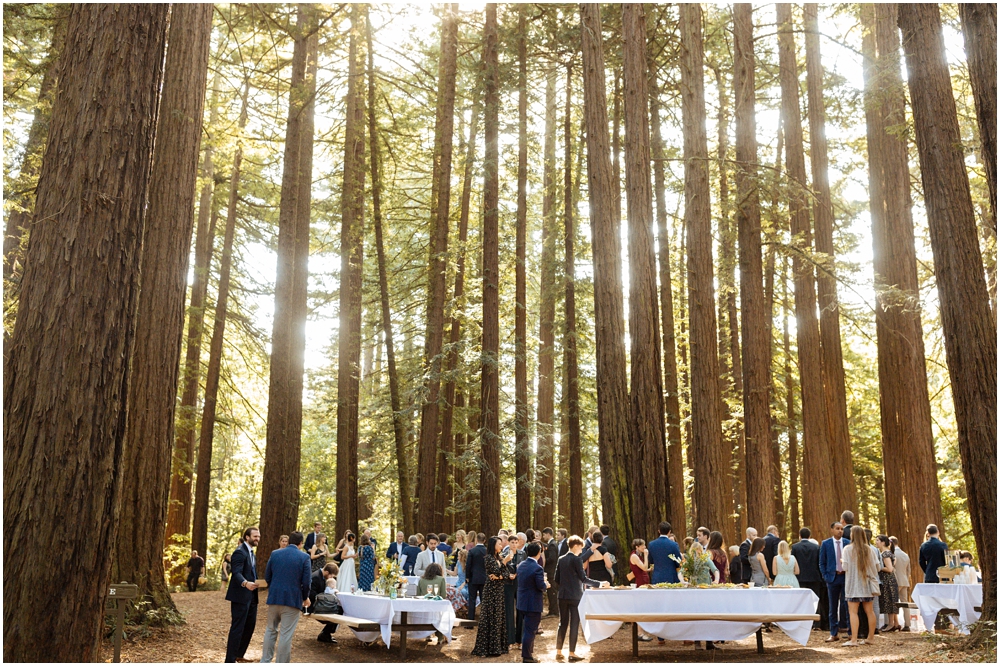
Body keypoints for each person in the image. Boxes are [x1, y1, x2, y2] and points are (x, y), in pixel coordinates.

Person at [554, 535, 609, 661]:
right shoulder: (577, 559)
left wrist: (564, 586)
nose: (581, 551)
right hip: (575, 596)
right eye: (580, 548)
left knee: (562, 623)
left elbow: (556, 578)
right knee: (574, 624)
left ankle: (558, 651)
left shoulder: (561, 559)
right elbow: (584, 579)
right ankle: (572, 653)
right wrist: (600, 584)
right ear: (576, 546)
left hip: (562, 595)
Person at [261, 531, 312, 663]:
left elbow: (267, 576)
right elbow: (306, 582)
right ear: (301, 543)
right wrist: (305, 597)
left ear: (289, 541)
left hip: (274, 597)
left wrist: (274, 588)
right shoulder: (304, 557)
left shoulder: (275, 553)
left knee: (270, 630)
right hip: (292, 600)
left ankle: (265, 661)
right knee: (285, 634)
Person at [471, 536, 514, 657]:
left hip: (499, 590)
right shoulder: (488, 558)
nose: (501, 546)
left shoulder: (498, 558)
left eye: (501, 544)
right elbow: (495, 571)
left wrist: (499, 575)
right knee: (490, 616)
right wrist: (503, 564)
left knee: (498, 617)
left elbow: (505, 574)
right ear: (493, 545)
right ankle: (486, 648)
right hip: (491, 591)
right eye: (499, 544)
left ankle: (498, 647)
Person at [225, 528, 260, 664]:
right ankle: (230, 660)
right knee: (238, 628)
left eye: (258, 536)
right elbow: (236, 572)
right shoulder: (239, 552)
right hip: (240, 596)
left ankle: (239, 655)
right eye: (255, 536)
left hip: (252, 596)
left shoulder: (252, 553)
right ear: (247, 537)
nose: (257, 538)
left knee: (250, 626)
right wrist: (245, 583)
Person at [841, 525, 880, 647]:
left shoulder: (847, 549)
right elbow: (878, 567)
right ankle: (871, 638)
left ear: (852, 535)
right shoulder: (869, 550)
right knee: (870, 611)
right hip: (867, 585)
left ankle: (854, 639)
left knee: (853, 612)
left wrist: (843, 561)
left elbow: (845, 568)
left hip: (853, 585)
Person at [515, 542, 549, 663]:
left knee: (527, 629)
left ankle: (528, 652)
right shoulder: (537, 568)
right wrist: (546, 585)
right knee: (530, 630)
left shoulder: (521, 565)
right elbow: (540, 585)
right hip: (533, 603)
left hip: (522, 602)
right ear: (539, 553)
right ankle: (527, 656)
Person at [819, 522, 850, 642]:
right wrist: (826, 576)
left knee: (847, 605)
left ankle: (850, 631)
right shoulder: (826, 543)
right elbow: (822, 562)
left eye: (841, 529)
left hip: (845, 577)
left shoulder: (847, 543)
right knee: (833, 607)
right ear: (832, 530)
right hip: (832, 578)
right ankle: (833, 633)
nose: (840, 531)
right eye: (837, 529)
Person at [792, 527, 827, 631]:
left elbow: (794, 563)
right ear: (809, 536)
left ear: (800, 535)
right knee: (815, 599)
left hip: (800, 577)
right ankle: (817, 624)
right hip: (814, 577)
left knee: (801, 600)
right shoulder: (816, 547)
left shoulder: (795, 547)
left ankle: (803, 623)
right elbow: (819, 562)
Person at [876, 536, 900, 632]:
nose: (876, 542)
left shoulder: (885, 554)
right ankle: (895, 623)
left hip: (887, 581)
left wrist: (878, 567)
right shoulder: (889, 552)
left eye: (877, 540)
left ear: (883, 542)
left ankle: (891, 624)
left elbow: (889, 569)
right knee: (891, 601)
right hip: (890, 580)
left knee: (889, 601)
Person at [310, 563, 340, 643]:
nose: (332, 578)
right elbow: (311, 595)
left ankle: (326, 633)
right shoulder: (315, 577)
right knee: (337, 610)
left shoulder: (322, 576)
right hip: (313, 605)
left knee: (339, 609)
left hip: (320, 602)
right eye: (332, 576)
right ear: (326, 572)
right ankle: (325, 634)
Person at [889, 537, 912, 631]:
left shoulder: (892, 554)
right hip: (904, 580)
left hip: (895, 581)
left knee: (892, 602)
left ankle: (891, 623)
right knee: (905, 602)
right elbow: (908, 570)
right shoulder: (905, 555)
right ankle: (907, 624)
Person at [466, 532, 488, 622]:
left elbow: (468, 565)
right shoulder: (487, 551)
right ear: (484, 540)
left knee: (472, 599)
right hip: (484, 578)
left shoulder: (472, 551)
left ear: (476, 540)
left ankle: (470, 621)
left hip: (473, 578)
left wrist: (467, 577)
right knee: (484, 600)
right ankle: (484, 621)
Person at [542, 528, 559, 616]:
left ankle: (554, 611)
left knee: (552, 592)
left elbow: (552, 558)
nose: (543, 537)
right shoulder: (551, 544)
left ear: (548, 534)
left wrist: (543, 561)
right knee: (550, 592)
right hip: (551, 571)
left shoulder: (552, 545)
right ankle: (552, 610)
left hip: (551, 572)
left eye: (544, 535)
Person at [449, 547, 470, 613]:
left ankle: (465, 608)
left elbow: (469, 577)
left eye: (458, 556)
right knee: (458, 591)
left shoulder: (468, 564)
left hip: (466, 583)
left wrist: (463, 585)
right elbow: (454, 573)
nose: (457, 557)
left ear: (463, 557)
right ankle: (462, 608)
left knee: (464, 592)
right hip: (459, 582)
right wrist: (446, 570)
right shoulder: (458, 562)